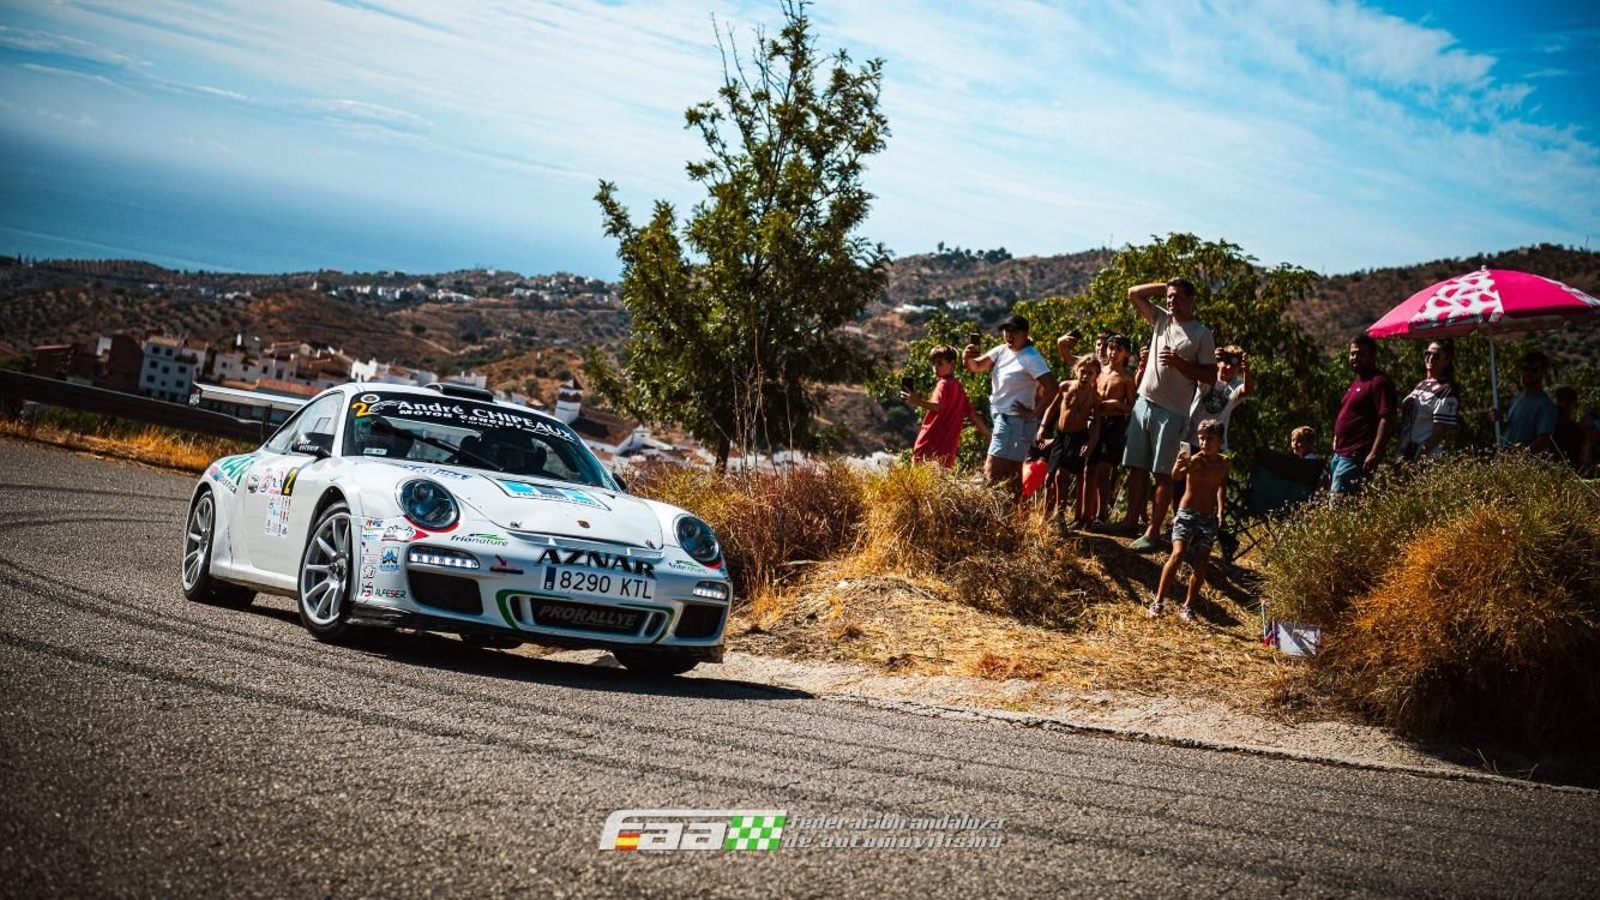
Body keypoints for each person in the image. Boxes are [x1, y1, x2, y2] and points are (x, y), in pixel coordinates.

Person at [1121, 278, 1217, 552]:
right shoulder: (1161, 319)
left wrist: (1180, 363)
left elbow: (1210, 376)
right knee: (1136, 467)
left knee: (1163, 475)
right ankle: (1129, 522)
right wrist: (1166, 285)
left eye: (1177, 297)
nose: (1171, 301)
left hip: (1173, 413)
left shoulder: (1201, 334)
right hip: (1144, 403)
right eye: (1169, 296)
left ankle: (1153, 533)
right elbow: (1133, 292)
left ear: (1191, 299)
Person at [965, 314, 1058, 497]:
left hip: (1013, 421)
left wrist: (1034, 413)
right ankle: (1014, 519)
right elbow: (976, 366)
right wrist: (966, 357)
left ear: (1025, 334)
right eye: (1006, 330)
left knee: (992, 472)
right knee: (1012, 473)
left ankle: (992, 519)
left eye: (1013, 331)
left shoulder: (1030, 357)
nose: (1009, 334)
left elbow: (1052, 387)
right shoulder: (1001, 350)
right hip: (1006, 418)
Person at [1148, 418, 1230, 622]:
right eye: (1201, 438)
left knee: (1202, 561)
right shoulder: (1195, 460)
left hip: (1207, 517)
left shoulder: (1225, 462)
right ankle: (1158, 601)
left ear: (1221, 440)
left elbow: (1222, 486)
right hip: (1187, 513)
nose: (1204, 443)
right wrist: (1178, 465)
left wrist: (1221, 511)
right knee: (1178, 554)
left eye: (1209, 439)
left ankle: (1188, 606)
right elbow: (1176, 477)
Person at [1330, 334, 1397, 498]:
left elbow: (1387, 418)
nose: (1355, 358)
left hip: (1356, 454)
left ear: (1373, 356)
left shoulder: (1379, 382)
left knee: (1338, 505)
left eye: (1361, 354)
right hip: (1340, 453)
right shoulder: (1358, 382)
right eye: (1352, 354)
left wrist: (1374, 452)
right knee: (1344, 502)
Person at [1036, 354, 1100, 524]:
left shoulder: (1094, 397)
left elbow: (1097, 423)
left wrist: (1091, 443)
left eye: (1090, 373)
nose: (1085, 376)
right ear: (1076, 370)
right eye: (1082, 371)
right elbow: (1051, 408)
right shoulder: (1065, 386)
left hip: (1078, 437)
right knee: (1050, 477)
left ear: (1096, 375)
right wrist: (1043, 427)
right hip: (1061, 436)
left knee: (1062, 474)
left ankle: (1061, 514)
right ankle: (1045, 515)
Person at [904, 345, 990, 467]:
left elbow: (937, 407)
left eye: (940, 363)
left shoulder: (942, 384)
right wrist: (991, 438)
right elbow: (973, 416)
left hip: (928, 446)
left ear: (952, 364)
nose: (935, 368)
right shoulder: (959, 387)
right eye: (933, 364)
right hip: (947, 452)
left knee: (919, 484)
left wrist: (916, 401)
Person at [1085, 334, 1134, 527]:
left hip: (1114, 423)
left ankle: (1101, 513)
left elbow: (1131, 407)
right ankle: (1085, 513)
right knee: (1090, 468)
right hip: (1095, 421)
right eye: (1110, 348)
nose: (1112, 353)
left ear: (1126, 353)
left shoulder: (1126, 378)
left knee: (1104, 470)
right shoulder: (1098, 372)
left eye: (1117, 350)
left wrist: (1115, 403)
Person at [1395, 339, 1459, 462]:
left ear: (1447, 359)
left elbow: (1440, 431)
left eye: (1436, 356)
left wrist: (1420, 458)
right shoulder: (1421, 384)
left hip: (1424, 458)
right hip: (1404, 452)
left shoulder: (1447, 390)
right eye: (1427, 353)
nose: (1430, 358)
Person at [1185, 346, 1251, 452]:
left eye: (1234, 366)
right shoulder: (1208, 376)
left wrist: (1247, 371)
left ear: (1239, 369)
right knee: (1182, 468)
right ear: (1219, 363)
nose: (1229, 368)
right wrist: (1210, 359)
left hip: (1214, 446)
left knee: (1210, 469)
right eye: (1226, 363)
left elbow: (1247, 390)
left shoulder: (1236, 385)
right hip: (1190, 437)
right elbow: (1193, 369)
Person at [1499, 351, 1556, 454]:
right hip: (1504, 462)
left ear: (1542, 373)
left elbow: (1543, 441)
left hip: (1522, 466)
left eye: (1534, 370)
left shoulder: (1545, 405)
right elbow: (1511, 430)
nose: (1528, 373)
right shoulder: (1516, 399)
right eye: (1525, 369)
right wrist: (1499, 420)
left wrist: (1519, 458)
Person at [1551, 386, 1583, 470]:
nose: (1563, 405)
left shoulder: (1577, 431)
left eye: (1567, 401)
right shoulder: (1544, 427)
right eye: (1560, 400)